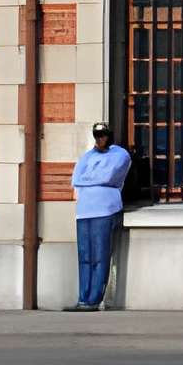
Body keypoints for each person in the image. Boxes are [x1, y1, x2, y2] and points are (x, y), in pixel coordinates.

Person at [68, 119, 130, 310]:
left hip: (105, 209)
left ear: (109, 136)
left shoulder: (120, 154)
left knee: (100, 255)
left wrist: (89, 178)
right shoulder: (87, 157)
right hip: (84, 211)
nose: (100, 139)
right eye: (97, 135)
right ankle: (83, 298)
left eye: (103, 135)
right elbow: (76, 179)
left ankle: (94, 299)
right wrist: (93, 178)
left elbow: (109, 176)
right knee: (85, 256)